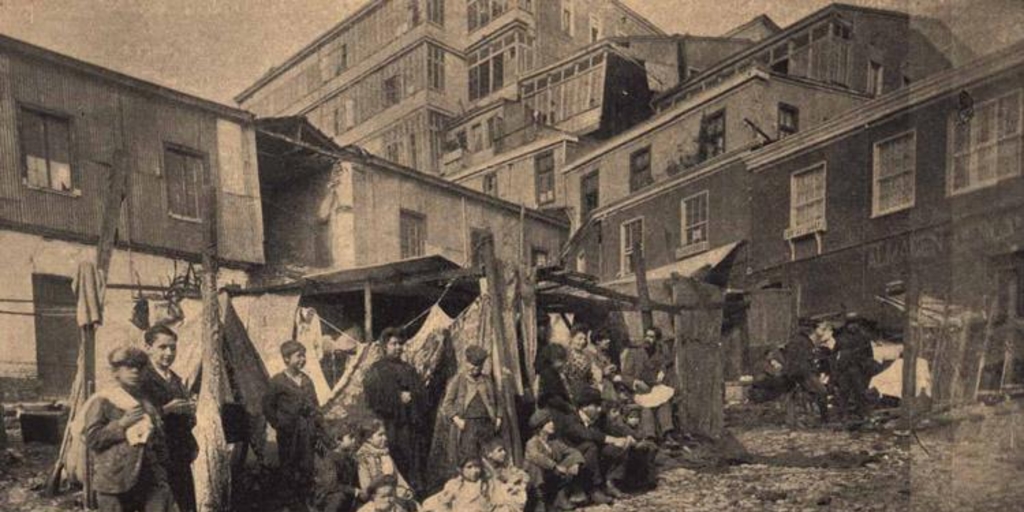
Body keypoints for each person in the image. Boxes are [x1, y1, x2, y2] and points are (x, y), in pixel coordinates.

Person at [84, 346, 175, 512]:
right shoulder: (103, 401)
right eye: (129, 367)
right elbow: (93, 439)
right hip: (115, 480)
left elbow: (159, 437)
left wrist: (162, 470)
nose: (135, 372)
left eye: (139, 367)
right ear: (115, 372)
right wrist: (122, 424)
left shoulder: (146, 402)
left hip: (149, 476)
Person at [262, 340, 329, 511]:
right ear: (286, 359)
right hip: (288, 433)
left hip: (307, 430)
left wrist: (320, 428)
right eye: (298, 356)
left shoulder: (307, 380)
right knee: (288, 467)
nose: (303, 359)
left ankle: (306, 502)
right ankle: (289, 504)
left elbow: (315, 406)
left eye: (304, 356)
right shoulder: (277, 381)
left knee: (307, 467)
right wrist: (278, 424)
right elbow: (267, 406)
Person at [138, 325, 197, 512]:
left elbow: (186, 418)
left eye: (173, 348)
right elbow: (137, 416)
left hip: (179, 451)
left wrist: (189, 411)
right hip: (155, 454)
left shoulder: (176, 379)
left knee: (186, 500)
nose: (169, 353)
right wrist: (164, 410)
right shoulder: (142, 379)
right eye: (162, 347)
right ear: (148, 348)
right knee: (157, 503)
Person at [363, 327, 424, 492]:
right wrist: (397, 398)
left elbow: (420, 392)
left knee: (411, 460)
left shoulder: (408, 369)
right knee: (391, 461)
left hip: (408, 425)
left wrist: (411, 395)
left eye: (400, 344)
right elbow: (372, 397)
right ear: (385, 346)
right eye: (393, 344)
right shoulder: (376, 370)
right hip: (388, 425)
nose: (398, 347)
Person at [553, 388, 632, 506]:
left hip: (592, 458)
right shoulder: (570, 418)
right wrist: (611, 439)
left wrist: (627, 437)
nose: (599, 409)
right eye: (596, 405)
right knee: (591, 446)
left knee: (617, 448)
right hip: (571, 459)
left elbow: (613, 430)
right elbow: (584, 433)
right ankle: (594, 489)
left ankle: (610, 483)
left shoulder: (600, 417)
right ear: (584, 407)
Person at [439, 346, 502, 464]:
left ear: (482, 366)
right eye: (471, 364)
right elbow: (447, 404)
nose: (473, 368)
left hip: (486, 424)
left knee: (489, 458)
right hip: (467, 425)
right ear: (466, 363)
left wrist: (498, 418)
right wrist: (457, 420)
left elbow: (499, 401)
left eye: (477, 366)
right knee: (469, 458)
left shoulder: (487, 380)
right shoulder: (459, 379)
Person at [619, 327, 676, 445]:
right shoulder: (634, 353)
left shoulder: (658, 354)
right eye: (647, 336)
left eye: (652, 337)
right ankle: (650, 437)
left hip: (653, 388)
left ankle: (667, 434)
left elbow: (665, 364)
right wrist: (636, 383)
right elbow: (625, 375)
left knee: (664, 403)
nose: (648, 339)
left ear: (657, 340)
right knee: (646, 407)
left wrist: (662, 372)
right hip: (638, 390)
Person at [523, 409, 583, 512]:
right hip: (537, 480)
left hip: (551, 477)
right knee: (534, 465)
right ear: (540, 427)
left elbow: (572, 452)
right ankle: (539, 503)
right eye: (548, 422)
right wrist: (554, 466)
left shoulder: (554, 442)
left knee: (571, 459)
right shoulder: (532, 443)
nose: (552, 424)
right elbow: (536, 456)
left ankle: (559, 498)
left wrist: (576, 463)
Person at [356, 420, 415, 503]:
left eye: (385, 434)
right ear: (368, 438)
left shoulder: (385, 453)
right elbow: (366, 487)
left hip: (394, 493)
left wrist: (406, 489)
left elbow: (397, 475)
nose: (385, 438)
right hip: (376, 497)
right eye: (380, 435)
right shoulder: (363, 457)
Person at [781, 326, 830, 424]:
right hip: (803, 373)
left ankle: (792, 419)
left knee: (792, 397)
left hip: (791, 373)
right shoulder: (805, 343)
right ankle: (824, 418)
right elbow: (807, 360)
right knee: (822, 392)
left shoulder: (793, 341)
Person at [604, 404, 657, 492]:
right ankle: (618, 481)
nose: (634, 419)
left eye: (637, 417)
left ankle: (647, 480)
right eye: (631, 417)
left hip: (634, 445)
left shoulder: (639, 428)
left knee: (649, 450)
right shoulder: (619, 426)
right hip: (620, 446)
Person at [831, 319, 876, 420]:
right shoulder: (841, 338)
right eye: (850, 324)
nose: (852, 326)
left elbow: (870, 355)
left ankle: (862, 413)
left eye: (855, 323)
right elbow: (834, 354)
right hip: (844, 369)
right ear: (847, 325)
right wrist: (836, 367)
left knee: (860, 392)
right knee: (843, 392)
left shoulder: (864, 338)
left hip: (858, 369)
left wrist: (865, 366)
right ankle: (843, 414)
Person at [316, 425, 362, 512]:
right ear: (338, 440)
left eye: (354, 437)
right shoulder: (330, 458)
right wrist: (354, 491)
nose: (354, 440)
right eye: (350, 437)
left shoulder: (352, 460)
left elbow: (356, 482)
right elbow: (332, 485)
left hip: (347, 497)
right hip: (330, 500)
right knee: (339, 498)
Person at [421, 456, 491, 512]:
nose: (474, 471)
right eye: (469, 467)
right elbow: (443, 502)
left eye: (477, 466)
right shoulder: (455, 484)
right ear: (460, 469)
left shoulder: (485, 484)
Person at [481, 438, 529, 512]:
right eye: (499, 450)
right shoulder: (484, 470)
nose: (504, 453)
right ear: (489, 454)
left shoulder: (503, 466)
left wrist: (516, 483)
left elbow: (524, 476)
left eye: (504, 450)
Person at [536, 344, 575, 416]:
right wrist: (568, 407)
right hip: (551, 412)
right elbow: (552, 397)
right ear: (551, 359)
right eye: (560, 360)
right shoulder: (548, 375)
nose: (563, 364)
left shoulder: (552, 373)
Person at [586, 329, 621, 402]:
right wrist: (603, 372)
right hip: (598, 392)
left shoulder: (604, 354)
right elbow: (589, 374)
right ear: (597, 341)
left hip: (609, 389)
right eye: (605, 339)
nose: (609, 341)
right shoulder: (589, 355)